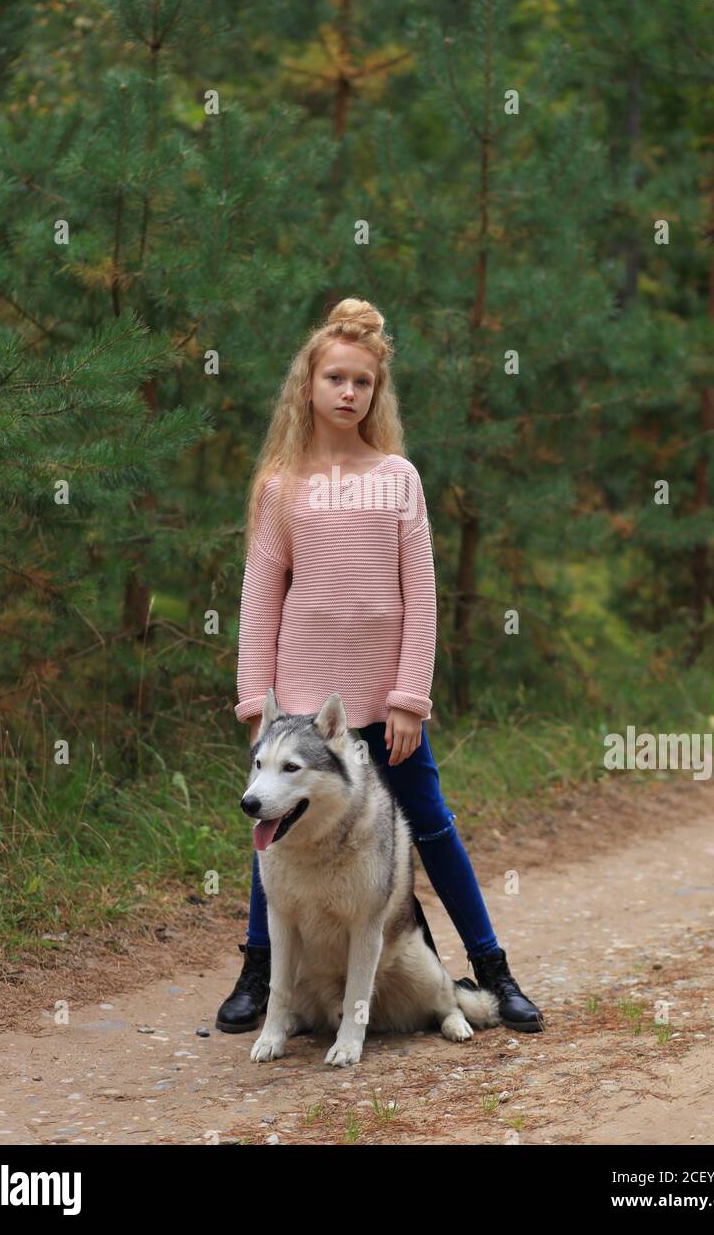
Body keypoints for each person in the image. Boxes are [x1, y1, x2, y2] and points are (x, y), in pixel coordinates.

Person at [216, 297, 543, 1035]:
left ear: (376, 392)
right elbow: (261, 592)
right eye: (334, 377)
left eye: (362, 382)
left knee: (429, 824)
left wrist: (409, 698)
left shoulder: (398, 477)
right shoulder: (280, 484)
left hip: (383, 697)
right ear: (309, 385)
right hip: (300, 693)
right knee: (276, 829)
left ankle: (492, 969)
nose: (348, 392)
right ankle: (258, 971)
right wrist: (252, 698)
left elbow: (420, 595)